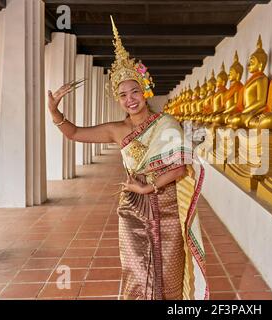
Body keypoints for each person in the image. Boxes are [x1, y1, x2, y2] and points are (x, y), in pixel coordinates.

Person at [46, 17, 209, 300]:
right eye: (123, 95)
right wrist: (53, 111)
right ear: (117, 99)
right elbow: (73, 133)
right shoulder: (116, 130)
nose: (130, 99)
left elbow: (180, 168)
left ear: (145, 90)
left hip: (166, 205)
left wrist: (149, 186)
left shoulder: (166, 123)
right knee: (137, 271)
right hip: (133, 209)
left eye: (135, 91)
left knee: (169, 270)